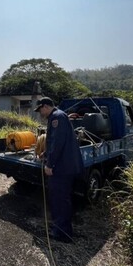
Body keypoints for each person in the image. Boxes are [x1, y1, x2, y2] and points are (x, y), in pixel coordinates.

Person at [34, 97, 83, 243]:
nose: (40, 112)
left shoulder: (57, 117)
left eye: (40, 109)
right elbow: (53, 142)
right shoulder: (59, 116)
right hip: (64, 166)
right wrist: (45, 154)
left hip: (62, 167)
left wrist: (49, 164)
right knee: (59, 199)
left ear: (46, 106)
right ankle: (59, 228)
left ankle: (63, 233)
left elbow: (57, 143)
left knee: (60, 200)